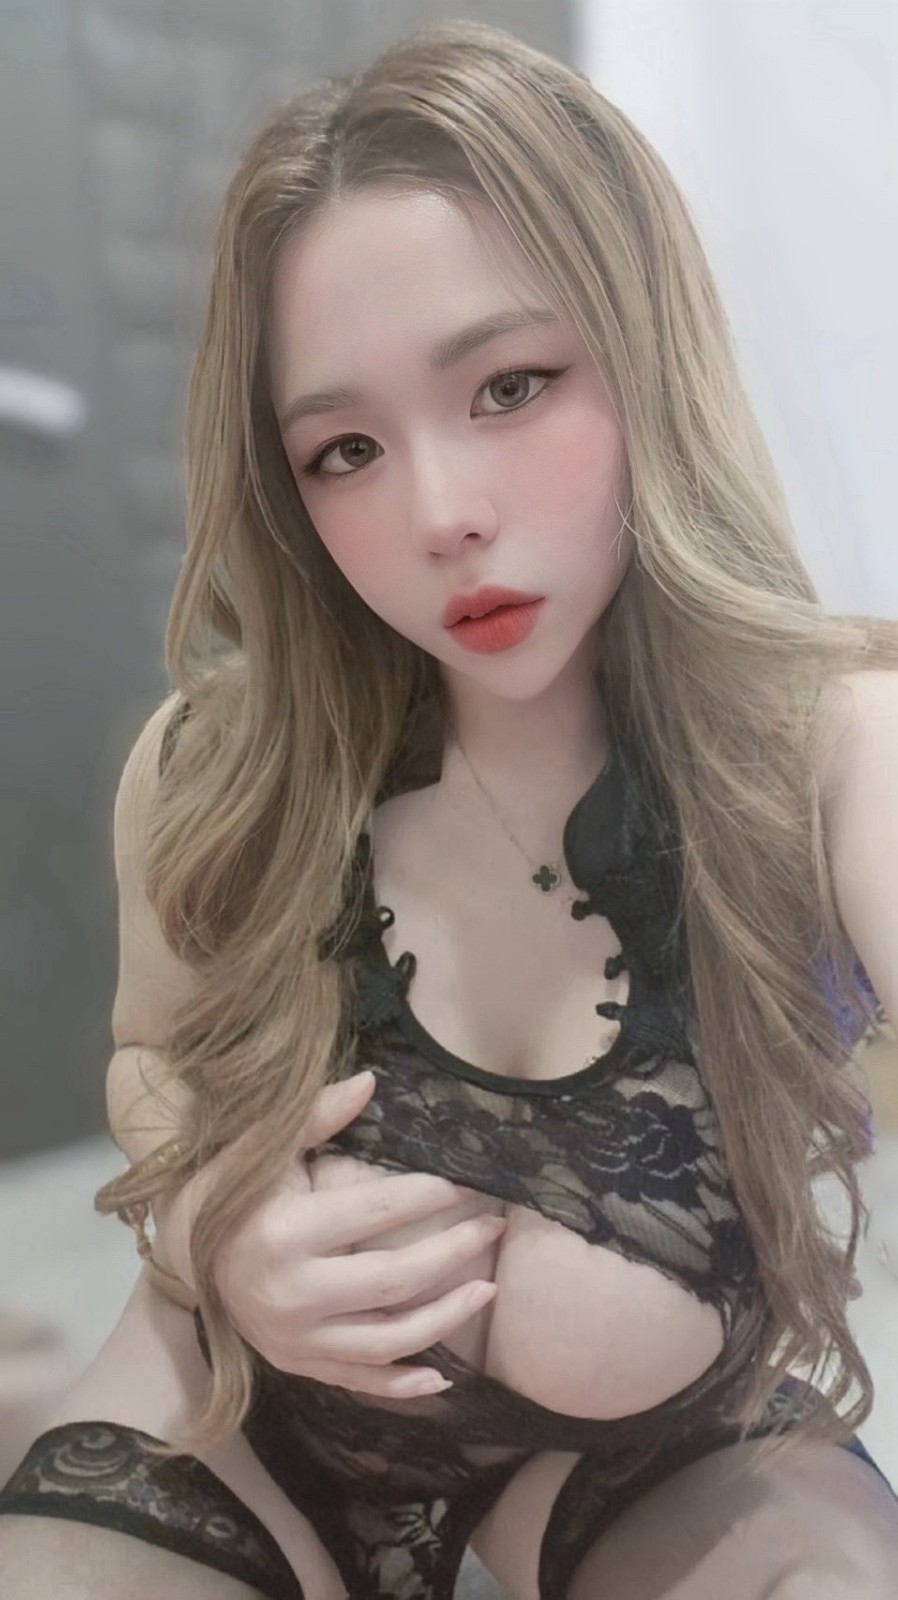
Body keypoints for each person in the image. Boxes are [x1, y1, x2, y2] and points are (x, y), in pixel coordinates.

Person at [2, 18, 898, 1599]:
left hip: (651, 1456)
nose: (438, 515)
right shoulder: (221, 768)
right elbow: (152, 1054)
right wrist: (213, 1220)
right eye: (343, 448)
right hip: (238, 1415)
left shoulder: (826, 750)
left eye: (511, 384)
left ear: (644, 352)